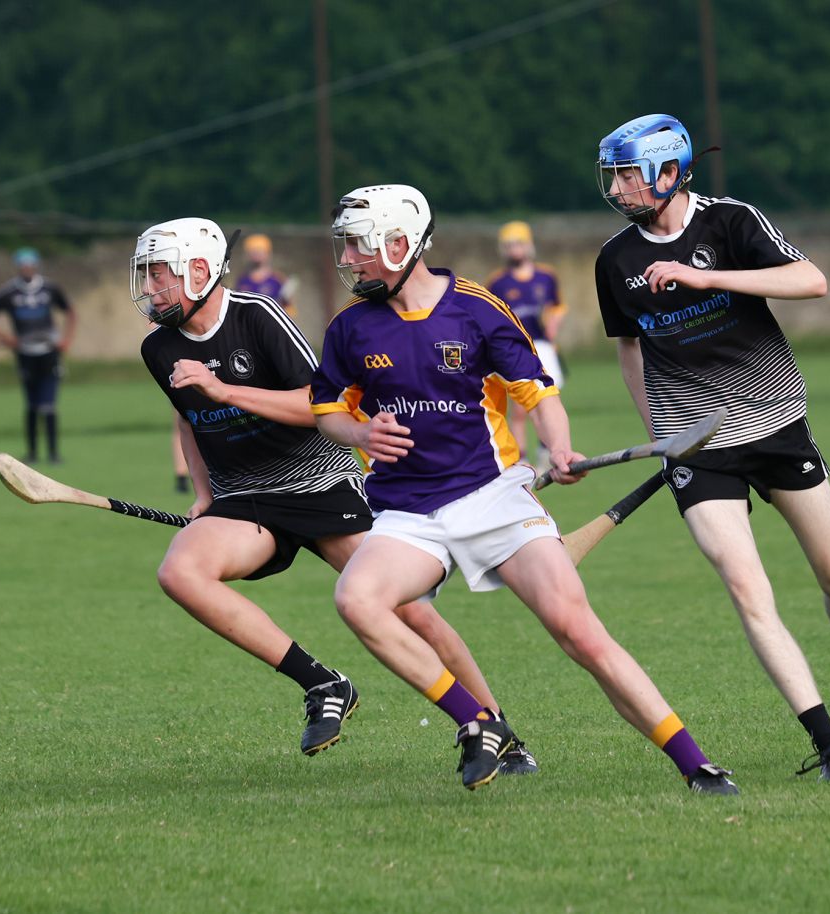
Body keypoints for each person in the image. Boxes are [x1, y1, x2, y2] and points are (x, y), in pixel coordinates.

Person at [311, 184, 737, 794]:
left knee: (579, 632)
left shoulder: (478, 310)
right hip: (406, 512)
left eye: (358, 245)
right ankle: (477, 723)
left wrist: (559, 447)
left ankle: (695, 764)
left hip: (493, 497)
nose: (348, 259)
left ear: (399, 243)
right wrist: (359, 429)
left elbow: (538, 394)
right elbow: (326, 409)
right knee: (357, 599)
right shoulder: (350, 328)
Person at [132, 217, 537, 771]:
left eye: (160, 276)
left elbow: (316, 405)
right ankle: (322, 683)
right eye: (146, 277)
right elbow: (189, 417)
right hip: (243, 497)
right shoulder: (158, 347)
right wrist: (203, 493)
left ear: (199, 272)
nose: (150, 290)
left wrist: (224, 388)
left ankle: (494, 727)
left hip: (320, 481)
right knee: (180, 573)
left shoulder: (257, 316)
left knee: (409, 614)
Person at [592, 113, 830, 781]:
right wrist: (661, 432)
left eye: (628, 172)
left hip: (774, 423)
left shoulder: (730, 222)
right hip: (697, 444)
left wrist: (710, 279)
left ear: (668, 171)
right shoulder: (614, 260)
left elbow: (812, 281)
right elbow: (630, 347)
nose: (617, 186)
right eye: (614, 174)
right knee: (748, 589)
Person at [0, 247, 77, 464]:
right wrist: (6, 338)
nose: (27, 269)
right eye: (23, 265)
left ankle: (53, 453)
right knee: (32, 404)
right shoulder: (8, 292)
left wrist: (66, 340)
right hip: (25, 354)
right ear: (18, 267)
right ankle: (32, 453)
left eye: (30, 265)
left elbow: (70, 311)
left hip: (49, 352)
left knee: (49, 404)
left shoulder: (50, 288)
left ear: (36, 266)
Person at [486, 221, 567, 470]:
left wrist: (554, 321)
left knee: (547, 400)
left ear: (529, 245)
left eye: (518, 244)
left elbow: (557, 305)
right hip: (517, 348)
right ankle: (522, 461)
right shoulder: (497, 282)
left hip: (543, 346)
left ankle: (547, 453)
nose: (514, 250)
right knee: (520, 410)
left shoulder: (546, 276)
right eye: (509, 245)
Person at [235, 233, 298, 317]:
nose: (256, 254)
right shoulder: (242, 280)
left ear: (268, 253)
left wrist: (286, 302)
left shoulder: (278, 279)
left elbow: (290, 311)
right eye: (253, 251)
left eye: (260, 250)